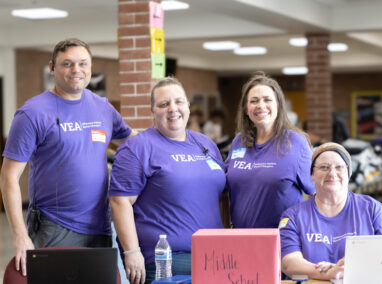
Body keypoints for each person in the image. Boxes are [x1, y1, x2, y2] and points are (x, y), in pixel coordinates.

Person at [0, 38, 133, 276]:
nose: (76, 70)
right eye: (67, 64)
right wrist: (20, 235)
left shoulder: (102, 107)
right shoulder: (33, 113)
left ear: (90, 68)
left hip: (100, 225)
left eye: (83, 63)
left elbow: (134, 142)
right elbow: (9, 177)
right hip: (54, 227)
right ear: (52, 67)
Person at [109, 77, 226, 284]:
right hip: (166, 262)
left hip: (214, 257)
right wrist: (132, 252)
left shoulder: (206, 144)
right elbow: (120, 202)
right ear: (152, 110)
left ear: (188, 106)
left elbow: (220, 196)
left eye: (179, 102)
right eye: (164, 104)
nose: (173, 109)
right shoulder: (138, 148)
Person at [279, 142, 382, 280]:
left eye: (339, 167)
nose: (332, 173)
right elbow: (288, 265)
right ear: (312, 174)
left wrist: (350, 269)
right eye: (324, 167)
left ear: (349, 173)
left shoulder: (373, 210)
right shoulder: (293, 216)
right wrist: (328, 273)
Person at [225, 72, 315, 228]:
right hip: (240, 237)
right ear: (246, 109)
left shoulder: (296, 142)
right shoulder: (239, 141)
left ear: (278, 106)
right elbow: (224, 186)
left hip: (282, 240)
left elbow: (317, 191)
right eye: (254, 101)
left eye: (267, 100)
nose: (261, 105)